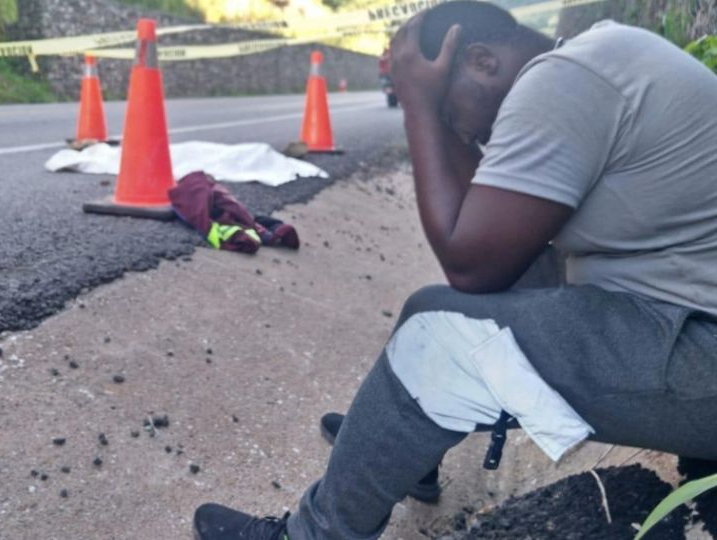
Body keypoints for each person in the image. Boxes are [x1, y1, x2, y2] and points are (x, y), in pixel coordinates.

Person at [192, 1, 717, 539]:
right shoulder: (594, 60)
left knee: (436, 334)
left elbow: (470, 266)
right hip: (687, 321)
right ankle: (398, 442)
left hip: (703, 348)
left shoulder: (563, 81)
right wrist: (446, 116)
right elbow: (494, 241)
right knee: (478, 292)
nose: (459, 134)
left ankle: (313, 533)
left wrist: (419, 104)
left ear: (483, 62)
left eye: (452, 116)